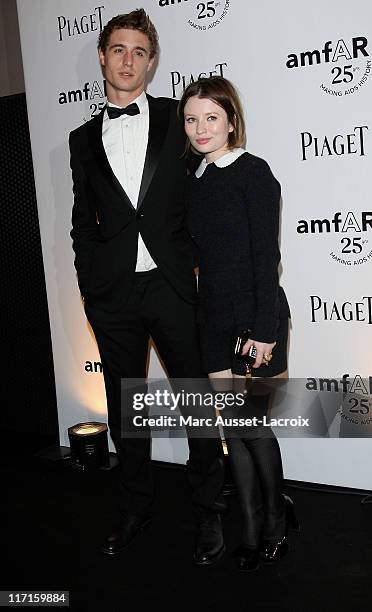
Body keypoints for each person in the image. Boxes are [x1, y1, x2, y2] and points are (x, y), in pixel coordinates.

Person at [69, 9, 225, 565]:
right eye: (118, 49)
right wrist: (91, 286)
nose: (128, 60)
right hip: (113, 297)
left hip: (171, 286)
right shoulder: (81, 138)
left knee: (196, 401)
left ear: (152, 62)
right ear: (103, 57)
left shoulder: (175, 119)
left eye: (139, 51)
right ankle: (135, 506)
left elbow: (211, 182)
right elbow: (82, 221)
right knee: (124, 408)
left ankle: (209, 508)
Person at [178, 76, 298, 571]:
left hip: (255, 318)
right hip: (213, 320)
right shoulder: (195, 180)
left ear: (231, 120)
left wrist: (264, 331)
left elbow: (266, 259)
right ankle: (247, 525)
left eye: (211, 117)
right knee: (235, 430)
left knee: (254, 429)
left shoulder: (254, 173)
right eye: (191, 118)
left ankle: (274, 521)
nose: (200, 128)